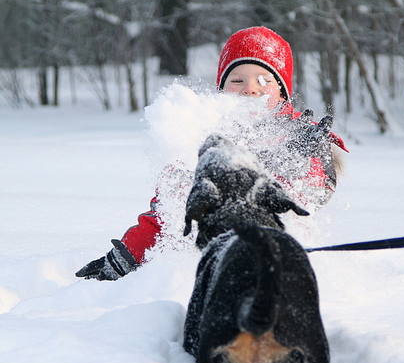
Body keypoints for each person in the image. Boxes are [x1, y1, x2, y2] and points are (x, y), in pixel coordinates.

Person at [76, 26, 348, 281]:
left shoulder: (300, 138)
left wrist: (303, 160)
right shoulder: (200, 136)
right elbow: (168, 213)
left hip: (281, 265)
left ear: (282, 90)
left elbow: (312, 196)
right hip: (209, 266)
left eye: (264, 80)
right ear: (222, 87)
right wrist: (125, 258)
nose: (250, 88)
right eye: (238, 79)